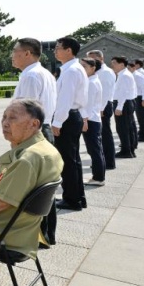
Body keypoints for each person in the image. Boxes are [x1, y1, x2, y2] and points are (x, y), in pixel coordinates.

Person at [0, 99, 63, 286]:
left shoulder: (29, 159)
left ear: (34, 124)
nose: (5, 123)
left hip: (6, 233)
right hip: (22, 229)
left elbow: (1, 202)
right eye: (4, 117)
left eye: (12, 118)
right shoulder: (45, 149)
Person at [52, 37, 88, 212]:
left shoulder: (72, 70)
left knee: (68, 161)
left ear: (69, 51)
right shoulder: (72, 68)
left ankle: (72, 199)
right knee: (73, 160)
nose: (55, 51)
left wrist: (57, 122)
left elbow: (65, 99)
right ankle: (77, 197)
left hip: (67, 117)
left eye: (58, 48)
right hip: (72, 116)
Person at [11, 38, 57, 142]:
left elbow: (26, 111)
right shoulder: (45, 73)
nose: (12, 56)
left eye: (14, 51)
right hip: (43, 128)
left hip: (32, 132)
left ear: (27, 53)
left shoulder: (31, 76)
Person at [80, 58, 106, 186]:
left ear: (93, 68)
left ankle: (98, 177)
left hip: (90, 120)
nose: (82, 69)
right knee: (96, 149)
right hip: (93, 119)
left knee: (94, 150)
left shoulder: (91, 83)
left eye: (84, 66)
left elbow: (87, 105)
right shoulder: (93, 80)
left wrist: (84, 120)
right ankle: (99, 176)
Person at [111, 56, 137, 159]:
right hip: (125, 103)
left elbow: (124, 93)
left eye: (114, 63)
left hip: (124, 103)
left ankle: (126, 151)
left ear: (121, 64)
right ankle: (129, 149)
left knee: (123, 128)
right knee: (126, 128)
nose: (112, 65)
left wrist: (119, 107)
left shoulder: (124, 75)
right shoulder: (123, 74)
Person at [130, 60, 144, 142]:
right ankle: (142, 133)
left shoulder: (138, 74)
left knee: (143, 117)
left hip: (141, 97)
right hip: (139, 97)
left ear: (136, 66)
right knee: (140, 117)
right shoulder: (136, 74)